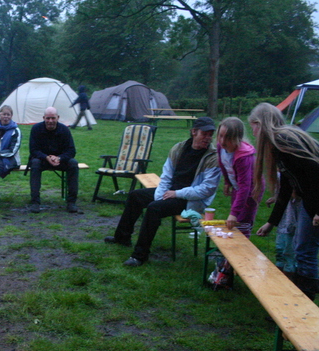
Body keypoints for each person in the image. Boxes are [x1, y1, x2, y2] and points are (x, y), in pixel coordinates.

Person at [250, 102, 319, 300]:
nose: (252, 132)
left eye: (252, 126)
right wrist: (272, 222)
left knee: (305, 248)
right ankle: (302, 289)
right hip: (315, 197)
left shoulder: (284, 140)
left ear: (258, 124)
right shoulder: (279, 143)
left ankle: (306, 298)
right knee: (301, 245)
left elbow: (315, 171)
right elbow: (288, 185)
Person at [104, 117, 221, 266]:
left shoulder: (213, 157)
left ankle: (140, 255)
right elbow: (166, 176)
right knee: (135, 196)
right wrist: (160, 196)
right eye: (204, 134)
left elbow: (206, 189)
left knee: (154, 209)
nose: (208, 138)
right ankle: (122, 238)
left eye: (210, 134)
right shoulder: (178, 149)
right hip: (170, 192)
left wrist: (177, 194)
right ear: (193, 132)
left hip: (190, 200)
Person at [216, 117, 261, 237]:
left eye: (228, 138)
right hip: (238, 186)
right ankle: (232, 246)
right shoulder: (221, 147)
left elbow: (245, 187)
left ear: (237, 138)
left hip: (252, 190)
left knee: (242, 221)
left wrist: (234, 213)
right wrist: (227, 182)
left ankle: (243, 249)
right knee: (235, 220)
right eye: (220, 135)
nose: (222, 140)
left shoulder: (243, 157)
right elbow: (223, 164)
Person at [28, 107, 79, 214]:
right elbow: (33, 150)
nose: (50, 121)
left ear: (58, 118)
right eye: (48, 118)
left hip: (60, 160)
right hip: (42, 159)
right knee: (35, 163)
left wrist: (59, 158)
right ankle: (35, 202)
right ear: (43, 118)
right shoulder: (36, 129)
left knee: (73, 164)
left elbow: (71, 150)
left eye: (53, 118)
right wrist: (46, 157)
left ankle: (71, 202)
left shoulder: (64, 130)